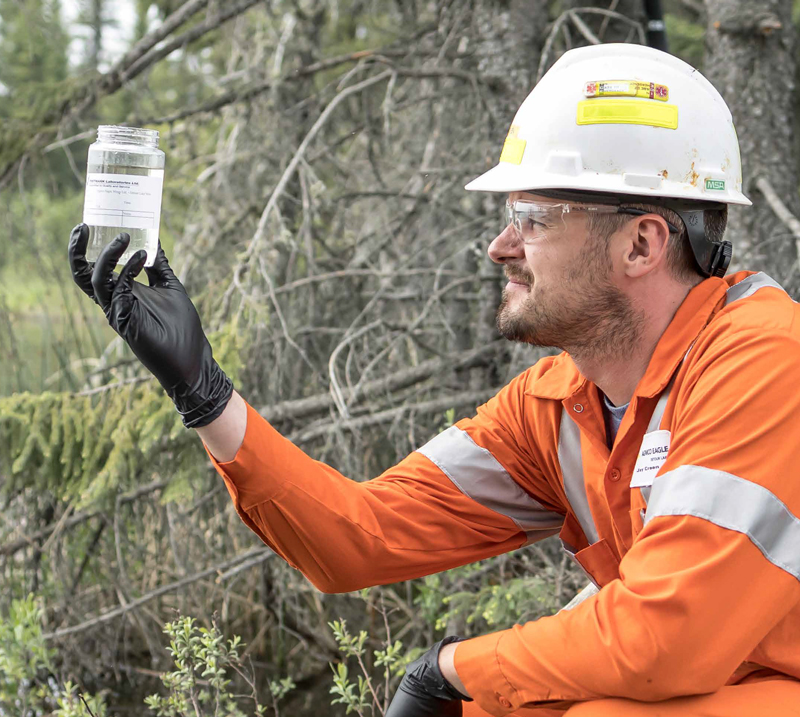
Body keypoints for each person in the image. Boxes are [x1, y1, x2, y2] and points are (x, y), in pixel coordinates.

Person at [68, 43, 800, 716]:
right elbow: (358, 538)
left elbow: (664, 640)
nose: (499, 245)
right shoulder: (557, 405)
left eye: (533, 218)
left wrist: (450, 668)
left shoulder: (766, 362)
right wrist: (203, 390)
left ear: (642, 242)